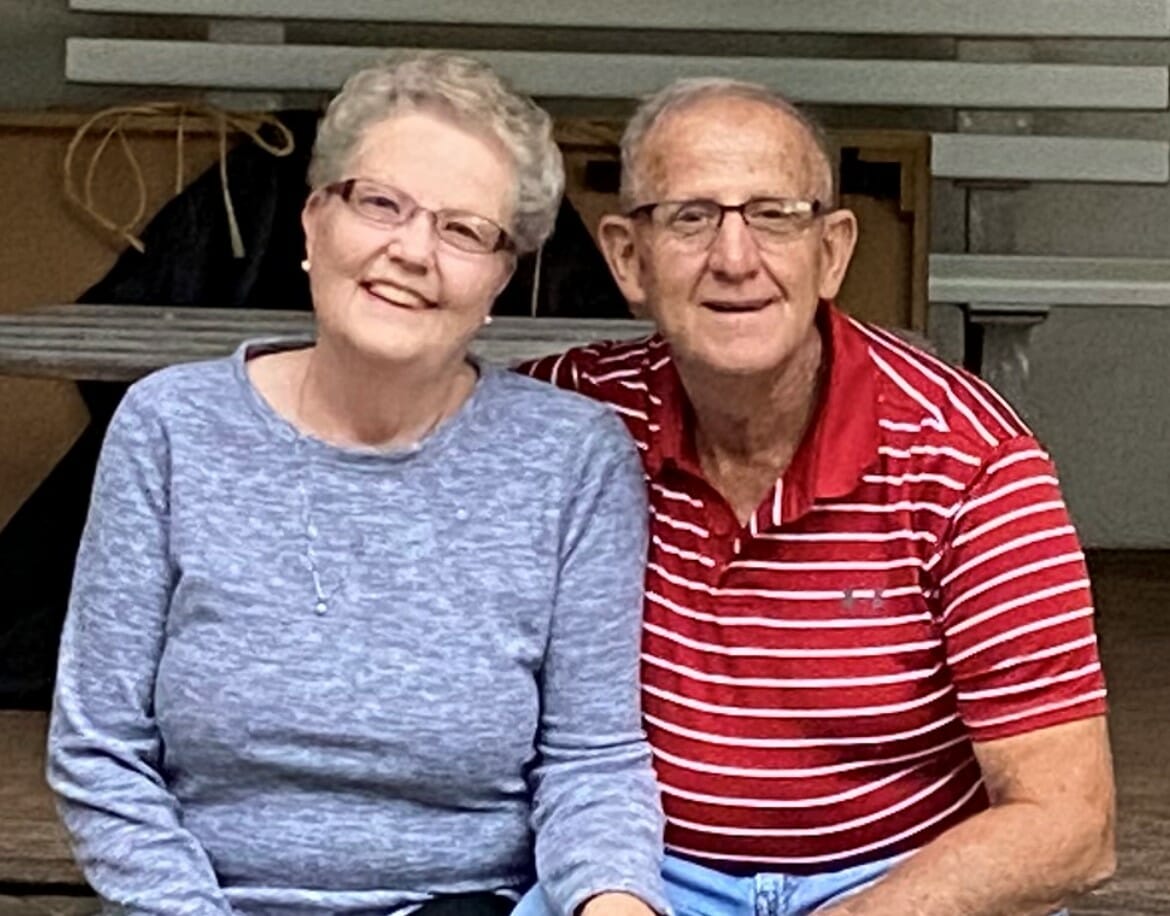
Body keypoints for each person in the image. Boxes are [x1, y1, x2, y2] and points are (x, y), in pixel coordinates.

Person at [47, 51, 667, 916]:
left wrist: (614, 902)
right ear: (313, 222)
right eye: (380, 203)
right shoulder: (171, 428)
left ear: (500, 275)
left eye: (463, 230)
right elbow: (100, 751)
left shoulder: (572, 457)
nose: (412, 251)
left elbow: (592, 760)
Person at [519, 77, 1116, 916]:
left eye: (775, 216)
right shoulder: (564, 420)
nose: (734, 258)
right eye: (691, 216)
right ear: (627, 257)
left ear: (832, 252)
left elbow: (1069, 826)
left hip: (902, 883)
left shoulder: (969, 459)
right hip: (642, 875)